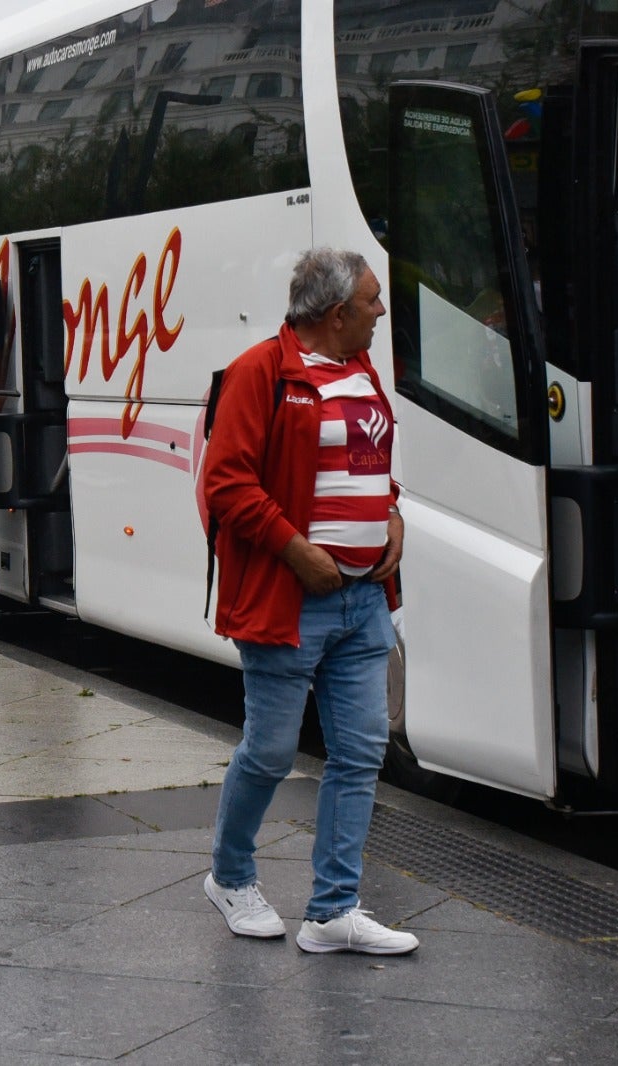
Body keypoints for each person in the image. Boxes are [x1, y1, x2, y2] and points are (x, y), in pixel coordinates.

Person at [201, 248, 416, 955]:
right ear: (335, 314)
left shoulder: (359, 370)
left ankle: (333, 911)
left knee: (359, 754)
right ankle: (230, 877)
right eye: (372, 301)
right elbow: (226, 487)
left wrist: (391, 516)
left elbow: (367, 463)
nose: (382, 312)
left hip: (362, 601)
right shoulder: (260, 372)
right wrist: (296, 549)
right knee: (267, 751)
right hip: (290, 602)